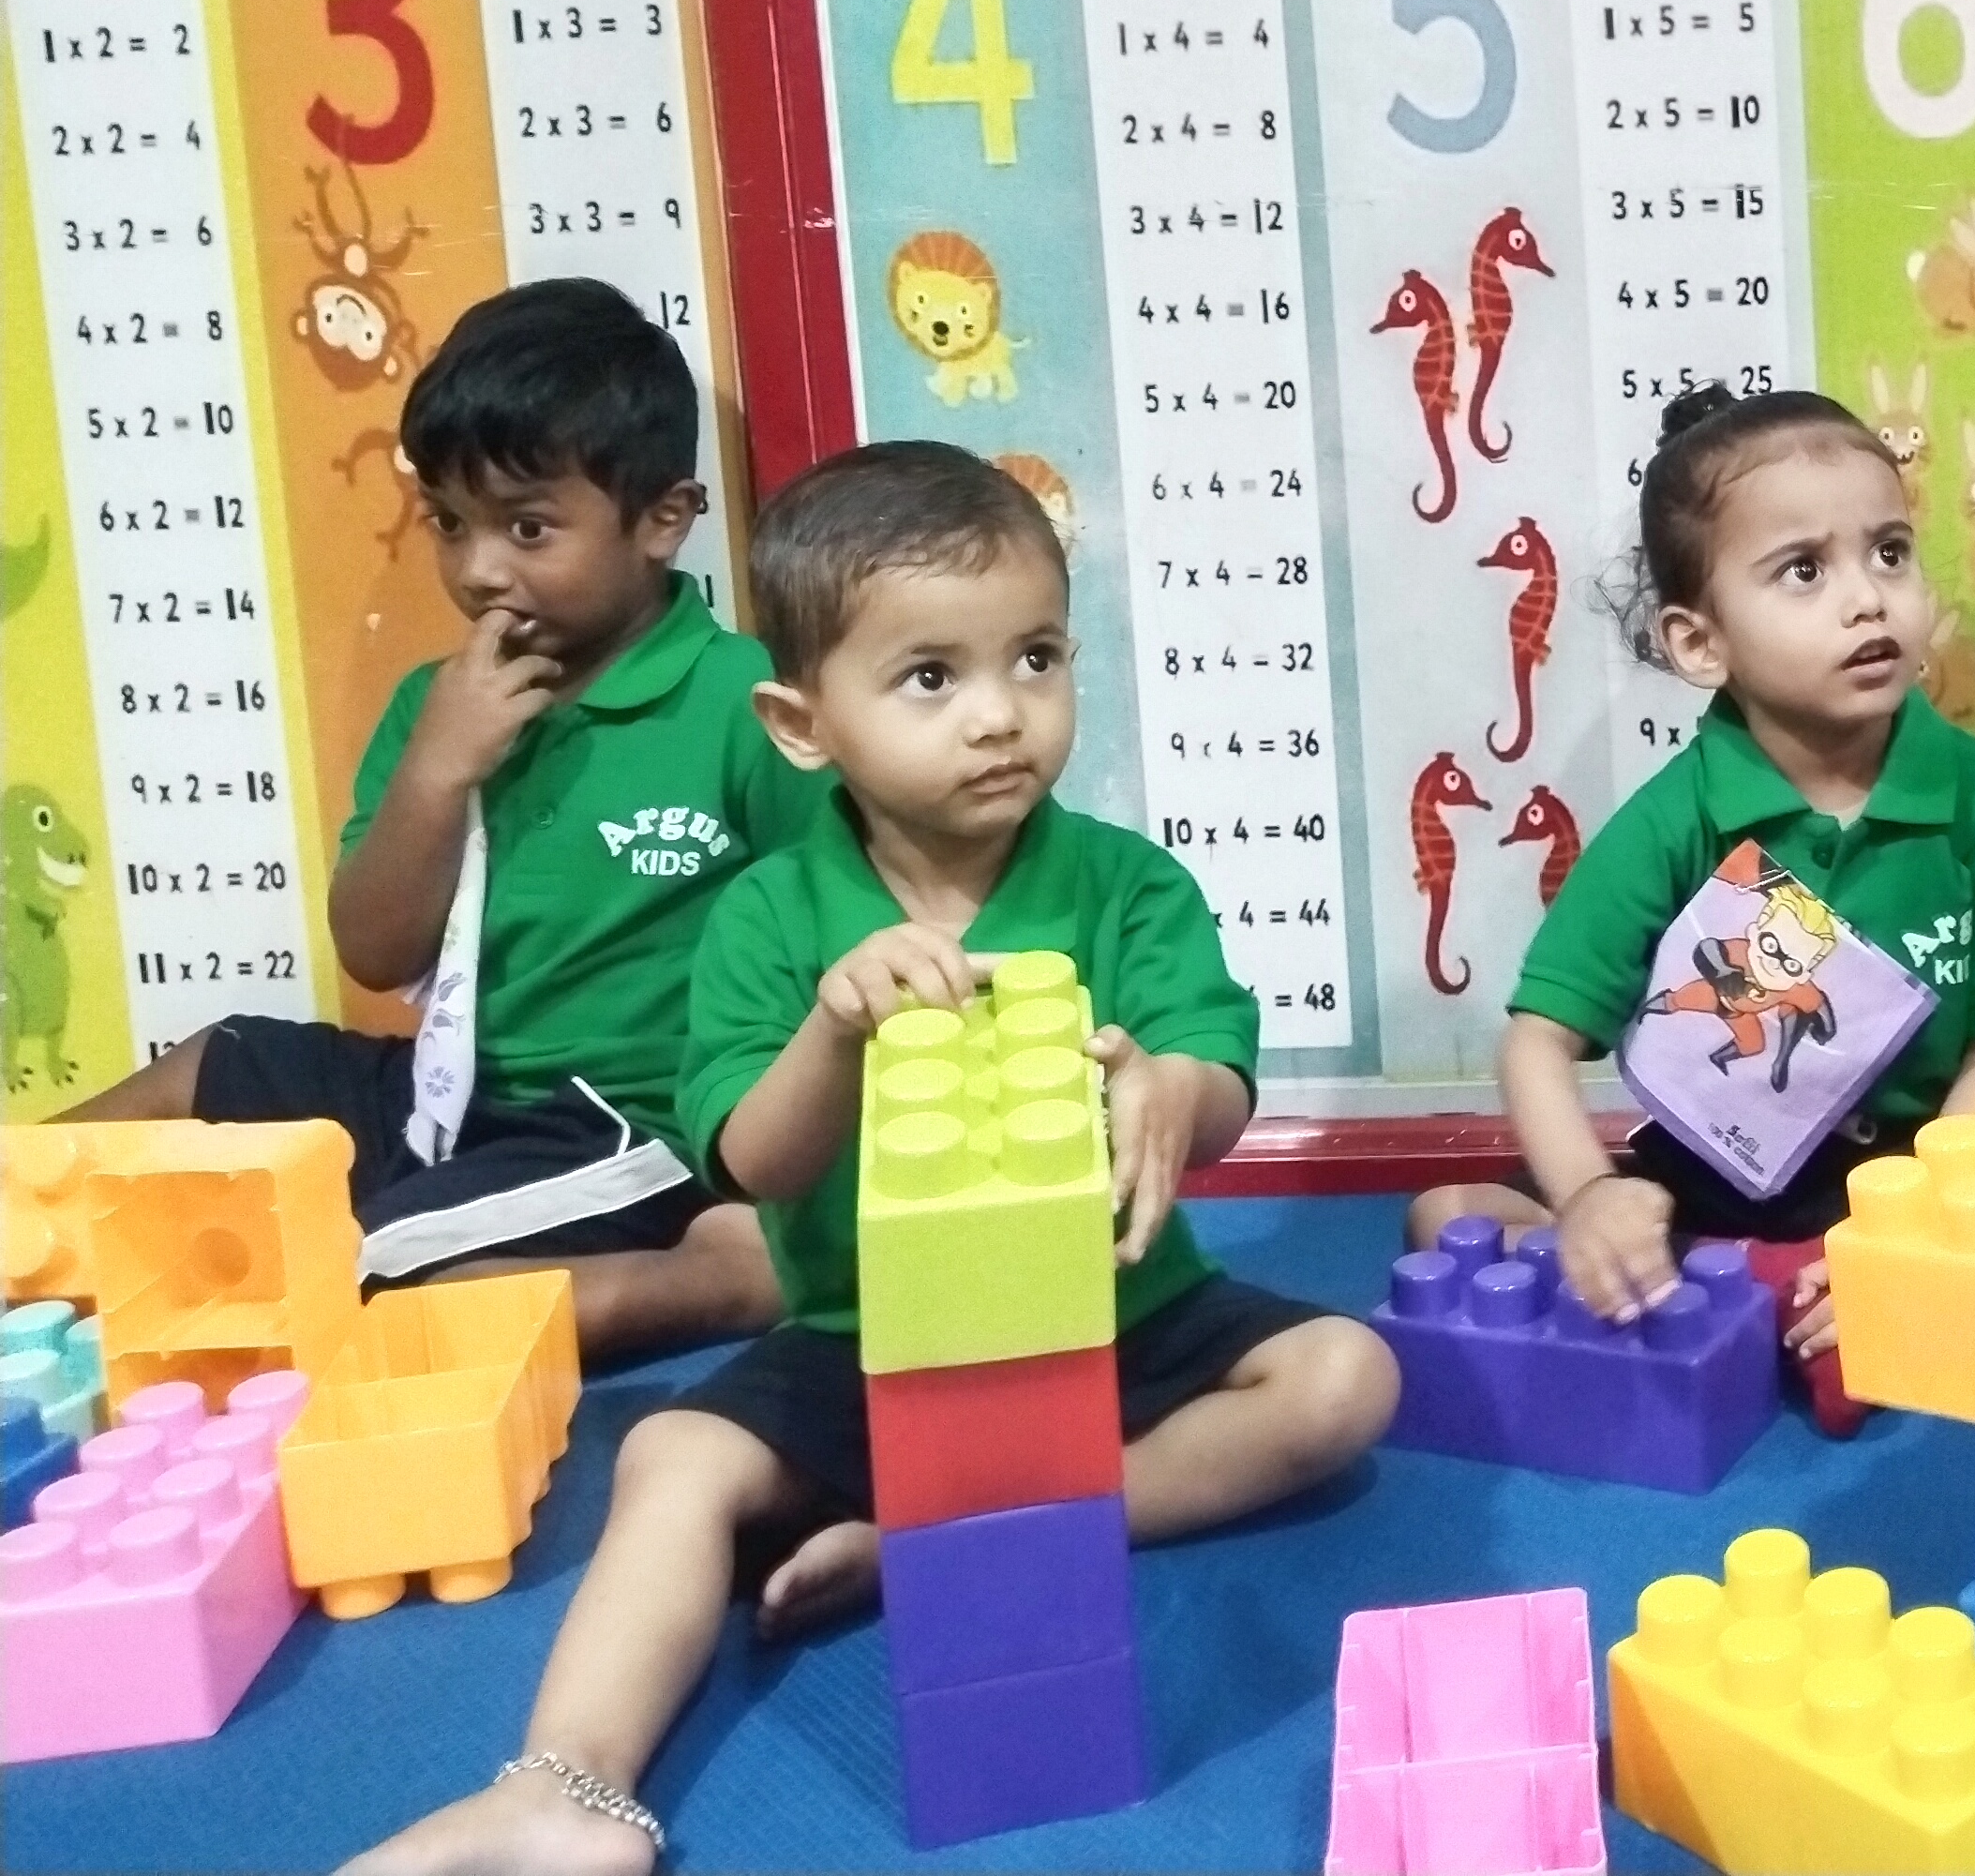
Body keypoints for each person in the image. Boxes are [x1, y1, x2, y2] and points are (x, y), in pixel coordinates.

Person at [349, 442, 1396, 1876]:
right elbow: (752, 1166)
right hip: (868, 1338)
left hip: (1120, 1315)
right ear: (800, 722)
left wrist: (1172, 1088)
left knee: (1346, 1378)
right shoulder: (771, 921)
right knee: (672, 1455)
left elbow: (1213, 1072)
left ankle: (929, 1543)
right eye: (929, 679)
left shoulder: (1125, 882)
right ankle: (564, 1788)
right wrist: (835, 1034)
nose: (999, 718)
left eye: (1035, 659)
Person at [67, 279, 800, 1358]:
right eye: (450, 525)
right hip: (446, 1095)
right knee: (215, 1062)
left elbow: (840, 923)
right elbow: (374, 951)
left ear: (663, 520)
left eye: (529, 526)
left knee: (381, 1276)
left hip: (637, 1124)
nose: (479, 569)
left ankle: (728, 1277)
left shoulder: (744, 701)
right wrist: (436, 770)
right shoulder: (434, 703)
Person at [1406, 383, 1975, 1432]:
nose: (1869, 600)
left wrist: (1913, 1234)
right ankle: (1750, 1285)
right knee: (1446, 1217)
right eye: (1804, 571)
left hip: (1899, 1180)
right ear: (1699, 643)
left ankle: (1784, 1297)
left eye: (1890, 552)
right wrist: (1591, 1200)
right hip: (1710, 1172)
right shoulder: (1676, 820)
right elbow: (1538, 1042)